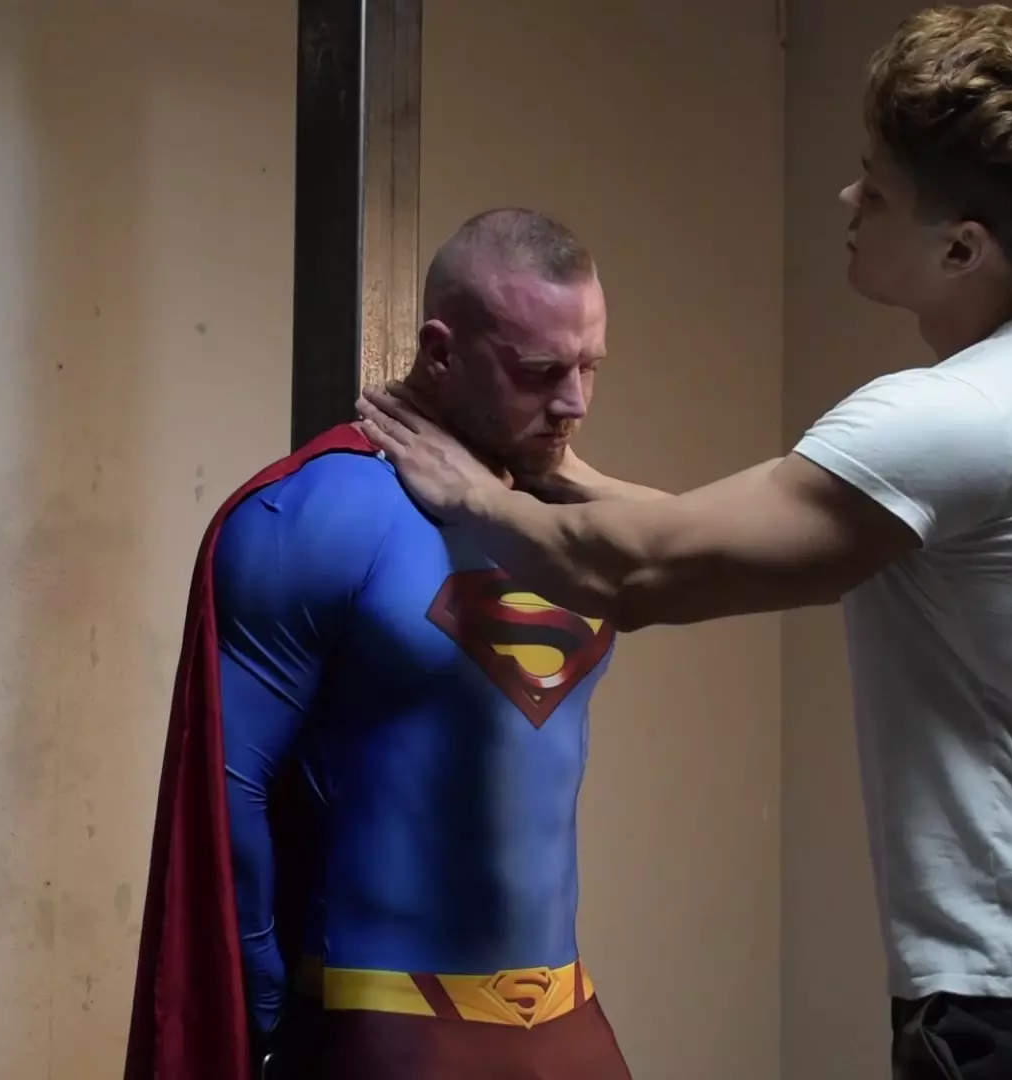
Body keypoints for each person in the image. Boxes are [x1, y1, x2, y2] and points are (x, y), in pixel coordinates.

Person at [356, 6, 1012, 1078]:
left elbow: (644, 572)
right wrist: (542, 474)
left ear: (960, 246)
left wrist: (463, 492)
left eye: (878, 190)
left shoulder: (961, 418)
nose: (849, 200)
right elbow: (692, 529)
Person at [126, 209, 640, 1080]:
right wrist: (265, 1014)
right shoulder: (323, 512)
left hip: (567, 1016)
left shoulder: (570, 519)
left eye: (590, 366)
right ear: (440, 352)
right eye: (539, 371)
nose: (574, 403)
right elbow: (232, 789)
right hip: (392, 1023)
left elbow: (723, 555)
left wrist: (565, 483)